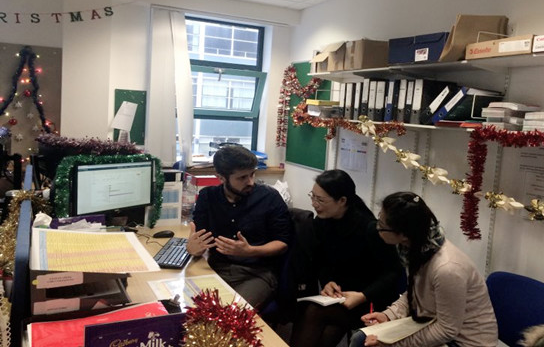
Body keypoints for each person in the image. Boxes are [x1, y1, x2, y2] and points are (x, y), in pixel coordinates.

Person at [349, 191, 497, 347]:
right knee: (360, 338)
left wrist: (393, 345)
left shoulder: (447, 269)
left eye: (382, 226)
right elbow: (414, 294)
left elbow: (447, 331)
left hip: (464, 342)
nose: (377, 228)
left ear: (404, 234)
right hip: (432, 323)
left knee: (366, 343)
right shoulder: (417, 248)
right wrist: (388, 315)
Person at [290, 169, 403, 347]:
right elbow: (321, 261)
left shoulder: (369, 228)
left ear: (342, 201)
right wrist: (328, 282)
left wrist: (363, 295)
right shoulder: (321, 222)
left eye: (320, 200)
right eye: (313, 196)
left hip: (370, 301)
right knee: (319, 322)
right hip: (341, 297)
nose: (314, 204)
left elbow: (393, 272)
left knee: (314, 313)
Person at [186, 145, 292, 309]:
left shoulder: (269, 197)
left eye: (252, 174)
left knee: (230, 314)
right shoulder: (208, 197)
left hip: (256, 274)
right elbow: (200, 240)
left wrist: (250, 251)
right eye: (242, 178)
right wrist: (193, 248)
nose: (250, 182)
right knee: (188, 307)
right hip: (217, 269)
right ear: (221, 178)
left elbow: (282, 243)